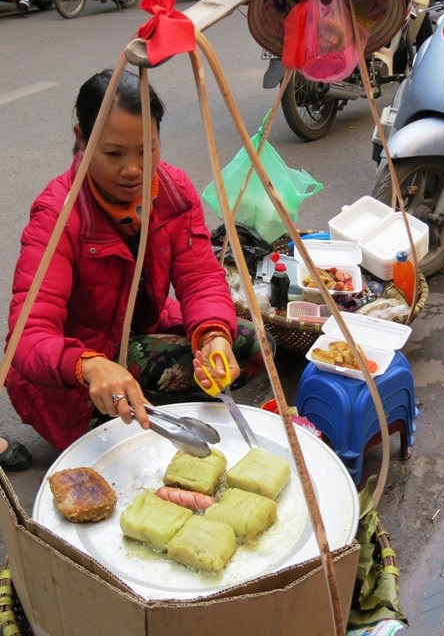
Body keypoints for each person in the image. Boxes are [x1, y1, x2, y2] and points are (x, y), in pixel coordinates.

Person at [5, 68, 274, 452]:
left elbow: (200, 279)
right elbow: (28, 337)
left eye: (147, 151)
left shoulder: (174, 192)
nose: (133, 170)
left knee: (253, 343)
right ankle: (106, 420)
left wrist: (213, 336)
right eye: (114, 154)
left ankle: (156, 411)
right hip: (77, 372)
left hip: (139, 332)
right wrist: (89, 365)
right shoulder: (58, 215)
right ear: (81, 138)